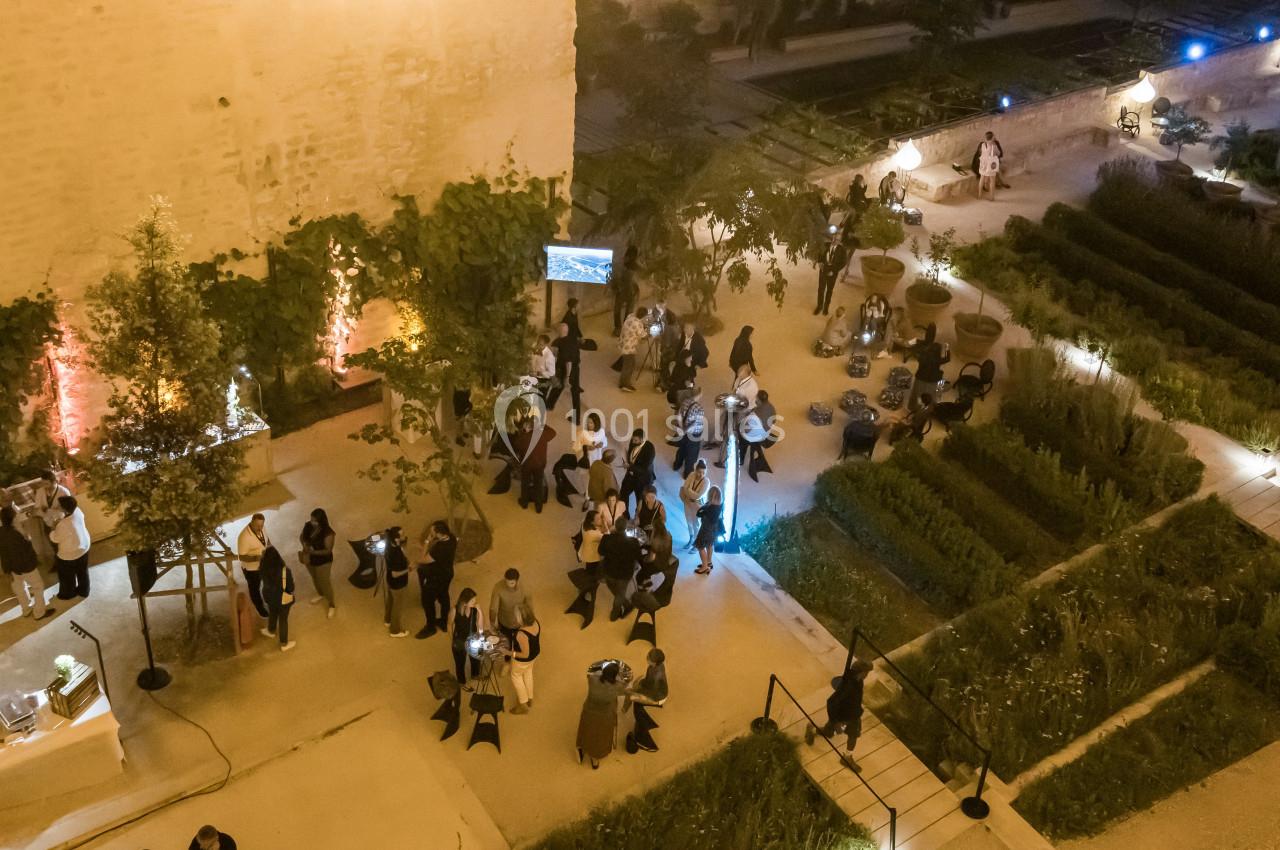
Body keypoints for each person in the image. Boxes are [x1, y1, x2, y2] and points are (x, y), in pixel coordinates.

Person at [806, 660, 875, 771]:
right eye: (866, 672)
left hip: (853, 716)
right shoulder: (847, 686)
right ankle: (812, 730)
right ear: (860, 672)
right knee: (829, 732)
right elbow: (832, 702)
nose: (867, 675)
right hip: (842, 717)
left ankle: (847, 757)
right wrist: (836, 722)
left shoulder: (859, 681)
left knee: (853, 734)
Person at [1, 506, 52, 619]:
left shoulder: (1, 532)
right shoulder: (17, 533)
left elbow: (3, 554)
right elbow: (27, 550)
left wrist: (7, 571)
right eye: (17, 514)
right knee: (38, 587)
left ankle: (26, 609)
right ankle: (39, 613)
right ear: (13, 518)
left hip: (13, 569)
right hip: (26, 566)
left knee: (20, 589)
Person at [576, 661, 628, 769]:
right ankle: (595, 760)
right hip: (605, 716)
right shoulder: (617, 687)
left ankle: (582, 747)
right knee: (600, 738)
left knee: (586, 731)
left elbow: (593, 673)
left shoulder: (592, 680)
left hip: (589, 711)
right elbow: (625, 688)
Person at [417, 521, 456, 639]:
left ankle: (430, 627)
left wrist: (427, 541)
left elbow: (422, 559)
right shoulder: (452, 538)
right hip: (447, 573)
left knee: (427, 601)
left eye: (432, 532)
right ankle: (444, 622)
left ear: (439, 534)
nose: (430, 533)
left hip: (435, 577)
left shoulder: (439, 549)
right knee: (444, 596)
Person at [49, 495, 90, 600]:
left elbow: (55, 539)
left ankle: (68, 593)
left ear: (64, 509)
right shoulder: (78, 511)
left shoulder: (62, 524)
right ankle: (84, 591)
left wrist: (53, 527)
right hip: (84, 546)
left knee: (66, 575)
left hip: (70, 553)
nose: (57, 507)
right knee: (83, 571)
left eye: (59, 506)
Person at [600, 517, 641, 621]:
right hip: (625, 573)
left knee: (613, 588)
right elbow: (638, 556)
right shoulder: (633, 542)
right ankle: (615, 613)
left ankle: (624, 606)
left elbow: (601, 552)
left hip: (609, 570)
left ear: (615, 527)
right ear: (626, 528)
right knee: (620, 593)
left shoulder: (606, 538)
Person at [512, 417, 556, 513]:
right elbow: (553, 432)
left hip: (527, 465)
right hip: (540, 464)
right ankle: (538, 507)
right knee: (538, 484)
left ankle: (524, 503)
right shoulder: (543, 434)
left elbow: (516, 445)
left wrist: (524, 432)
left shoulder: (525, 437)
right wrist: (542, 425)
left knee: (525, 483)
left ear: (528, 427)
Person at [299, 508, 337, 617]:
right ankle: (320, 594)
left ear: (321, 521)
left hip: (323, 561)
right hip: (310, 558)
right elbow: (302, 537)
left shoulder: (328, 533)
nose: (312, 522)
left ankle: (331, 604)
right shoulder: (308, 525)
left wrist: (313, 551)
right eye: (311, 519)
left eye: (314, 520)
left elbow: (328, 550)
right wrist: (304, 545)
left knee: (325, 582)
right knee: (315, 578)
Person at [259, 546, 296, 652]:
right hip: (282, 599)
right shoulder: (285, 571)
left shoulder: (263, 568)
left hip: (269, 596)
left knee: (273, 612)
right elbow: (290, 588)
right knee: (283, 619)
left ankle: (271, 630)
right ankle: (284, 643)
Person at [236, 513, 271, 618]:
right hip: (251, 569)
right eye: (257, 526)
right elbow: (241, 557)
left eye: (262, 525)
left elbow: (267, 540)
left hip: (264, 564)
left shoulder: (262, 527)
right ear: (251, 522)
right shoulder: (244, 537)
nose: (260, 528)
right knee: (254, 589)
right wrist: (256, 558)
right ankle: (260, 608)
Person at [507, 606, 541, 714]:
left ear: (521, 618)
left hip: (523, 660)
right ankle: (530, 698)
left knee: (516, 676)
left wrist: (507, 653)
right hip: (534, 655)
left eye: (516, 615)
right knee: (528, 673)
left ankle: (523, 704)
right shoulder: (535, 622)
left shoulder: (521, 634)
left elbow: (524, 654)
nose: (515, 617)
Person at [546, 322, 582, 418]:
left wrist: (567, 377)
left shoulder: (559, 342)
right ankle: (577, 417)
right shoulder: (573, 339)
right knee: (575, 392)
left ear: (559, 332)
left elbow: (567, 362)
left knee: (558, 386)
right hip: (576, 368)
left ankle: (549, 405)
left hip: (566, 369)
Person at [490, 568, 535, 645]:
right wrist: (492, 622)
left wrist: (529, 623)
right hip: (505, 621)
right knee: (507, 642)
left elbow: (529, 607)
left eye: (511, 583)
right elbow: (493, 609)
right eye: (506, 582)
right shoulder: (498, 587)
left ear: (517, 581)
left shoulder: (525, 588)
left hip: (519, 622)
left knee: (515, 641)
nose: (508, 585)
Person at [450, 588, 484, 688]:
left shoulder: (474, 610)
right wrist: (451, 639)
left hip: (473, 639)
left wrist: (480, 611)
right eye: (472, 600)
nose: (475, 602)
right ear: (465, 602)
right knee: (460, 663)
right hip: (459, 641)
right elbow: (449, 625)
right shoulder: (454, 610)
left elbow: (481, 626)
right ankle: (461, 682)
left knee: (475, 659)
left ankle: (475, 674)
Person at [381, 527, 411, 637]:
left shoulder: (389, 546)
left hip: (390, 581)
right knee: (397, 608)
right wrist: (409, 569)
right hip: (398, 584)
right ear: (396, 539)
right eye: (402, 535)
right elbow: (395, 573)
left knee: (391, 601)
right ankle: (395, 630)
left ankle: (387, 620)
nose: (404, 536)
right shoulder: (396, 555)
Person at [618, 429, 656, 512]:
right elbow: (631, 454)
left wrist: (630, 467)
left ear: (642, 439)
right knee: (623, 493)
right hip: (630, 475)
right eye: (633, 439)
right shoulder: (633, 442)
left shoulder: (650, 449)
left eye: (636, 440)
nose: (633, 442)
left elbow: (644, 468)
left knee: (640, 499)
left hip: (642, 479)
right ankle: (625, 513)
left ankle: (638, 516)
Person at [673, 388, 706, 476]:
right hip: (694, 433)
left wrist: (682, 428)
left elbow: (679, 416)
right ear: (699, 396)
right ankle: (687, 472)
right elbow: (694, 424)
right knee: (692, 453)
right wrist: (685, 430)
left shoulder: (685, 402)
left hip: (683, 431)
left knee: (682, 448)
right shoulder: (699, 409)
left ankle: (677, 464)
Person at [679, 459, 711, 549]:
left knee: (696, 523)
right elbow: (684, 488)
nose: (701, 475)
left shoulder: (706, 481)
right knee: (688, 521)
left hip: (697, 505)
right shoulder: (691, 475)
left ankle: (697, 542)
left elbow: (698, 496)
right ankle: (691, 539)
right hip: (687, 502)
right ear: (696, 470)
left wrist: (689, 491)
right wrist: (690, 492)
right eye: (699, 472)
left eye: (703, 473)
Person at [911, 340, 949, 411]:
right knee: (940, 385)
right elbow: (947, 359)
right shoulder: (938, 360)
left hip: (921, 377)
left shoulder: (922, 357)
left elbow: (915, 353)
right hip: (934, 379)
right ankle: (935, 404)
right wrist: (947, 348)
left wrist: (916, 344)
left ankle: (914, 408)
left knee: (918, 395)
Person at [610, 245, 640, 336]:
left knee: (620, 310)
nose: (626, 257)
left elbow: (617, 278)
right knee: (625, 311)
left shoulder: (626, 266)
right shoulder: (634, 266)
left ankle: (619, 329)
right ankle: (621, 329)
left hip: (625, 290)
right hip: (628, 291)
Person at [694, 486, 724, 575]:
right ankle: (709, 562)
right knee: (709, 545)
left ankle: (704, 567)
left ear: (709, 496)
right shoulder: (719, 506)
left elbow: (698, 514)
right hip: (713, 531)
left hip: (705, 530)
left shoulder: (709, 507)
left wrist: (700, 505)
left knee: (700, 547)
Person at [617, 307, 648, 392]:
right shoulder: (638, 324)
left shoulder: (630, 316)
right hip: (629, 348)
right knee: (629, 366)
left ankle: (623, 382)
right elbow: (644, 336)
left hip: (623, 343)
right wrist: (651, 331)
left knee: (629, 364)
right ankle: (624, 384)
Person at [815, 238, 848, 317]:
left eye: (837, 239)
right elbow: (820, 254)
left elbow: (843, 263)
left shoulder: (842, 250)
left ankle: (826, 308)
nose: (834, 240)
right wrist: (819, 262)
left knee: (829, 290)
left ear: (839, 241)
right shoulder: (825, 245)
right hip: (824, 269)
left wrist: (834, 271)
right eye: (834, 238)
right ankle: (819, 306)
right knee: (821, 289)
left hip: (833, 271)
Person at [578, 509, 606, 580]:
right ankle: (590, 585)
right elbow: (607, 537)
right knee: (592, 573)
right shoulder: (593, 534)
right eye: (598, 519)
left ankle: (588, 578)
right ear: (592, 522)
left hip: (585, 551)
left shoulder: (584, 523)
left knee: (589, 568)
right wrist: (605, 524)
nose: (601, 519)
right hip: (593, 557)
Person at [975, 131, 1000, 201]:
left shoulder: (982, 144)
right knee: (992, 181)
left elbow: (981, 153)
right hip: (990, 166)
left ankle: (979, 195)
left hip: (983, 165)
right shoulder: (994, 146)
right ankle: (991, 197)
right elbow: (998, 153)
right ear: (992, 138)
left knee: (981, 179)